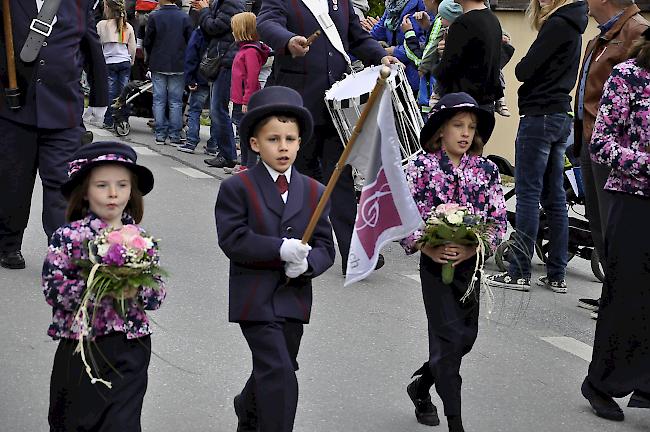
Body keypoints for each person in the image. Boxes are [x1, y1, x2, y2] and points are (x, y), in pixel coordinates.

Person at [215, 86, 335, 432]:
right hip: (254, 298)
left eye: (290, 139)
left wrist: (309, 263)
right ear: (255, 144)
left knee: (278, 367)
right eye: (273, 139)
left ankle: (247, 405)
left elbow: (326, 246)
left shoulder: (314, 191)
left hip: (293, 300)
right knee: (280, 373)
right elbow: (233, 239)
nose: (283, 147)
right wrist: (278, 249)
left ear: (300, 142)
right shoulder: (237, 188)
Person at [257, 0, 398, 275]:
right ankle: (294, 245)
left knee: (340, 177)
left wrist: (379, 55)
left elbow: (356, 36)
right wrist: (288, 40)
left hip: (335, 106)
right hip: (298, 102)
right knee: (298, 179)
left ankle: (353, 253)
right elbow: (266, 23)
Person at [401, 92, 506, 432]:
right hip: (435, 268)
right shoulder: (420, 167)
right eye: (457, 125)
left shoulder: (487, 170)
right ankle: (455, 422)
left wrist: (475, 249)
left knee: (464, 340)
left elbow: (498, 220)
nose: (465, 133)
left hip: (470, 270)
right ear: (440, 131)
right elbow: (403, 217)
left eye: (471, 127)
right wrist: (425, 247)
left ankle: (421, 385)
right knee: (448, 341)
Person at [43, 141, 166, 431]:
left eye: (122, 185)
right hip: (81, 344)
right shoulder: (69, 237)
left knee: (121, 423)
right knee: (74, 421)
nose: (113, 193)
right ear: (84, 190)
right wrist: (99, 287)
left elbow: (157, 292)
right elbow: (53, 289)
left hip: (130, 345)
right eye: (102, 185)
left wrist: (137, 289)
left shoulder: (139, 238)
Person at [485, 0, 587, 292]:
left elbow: (525, 70)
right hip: (559, 116)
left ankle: (518, 271)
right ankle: (557, 274)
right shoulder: (575, 24)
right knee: (555, 198)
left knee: (528, 193)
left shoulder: (556, 24)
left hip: (539, 115)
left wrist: (519, 64)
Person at [0, 0, 108, 270]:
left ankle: (62, 249)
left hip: (64, 112)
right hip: (14, 109)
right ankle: (8, 244)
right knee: (13, 183)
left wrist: (99, 98)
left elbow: (91, 48)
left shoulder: (78, 4)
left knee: (64, 185)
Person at [580, 29, 650, 421]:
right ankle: (601, 384)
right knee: (626, 295)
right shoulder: (628, 76)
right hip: (633, 199)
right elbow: (601, 143)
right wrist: (645, 161)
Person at [572, 0, 648, 316]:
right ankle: (611, 294)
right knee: (599, 224)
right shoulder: (602, 35)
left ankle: (620, 298)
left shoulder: (635, 30)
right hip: (592, 140)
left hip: (616, 151)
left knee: (614, 227)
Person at [192, 0, 246, 168]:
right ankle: (226, 153)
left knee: (218, 109)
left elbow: (215, 27)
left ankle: (228, 154)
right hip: (223, 58)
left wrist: (205, 11)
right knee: (218, 110)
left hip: (227, 59)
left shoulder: (231, 2)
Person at [433, 0, 503, 112]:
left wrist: (436, 69)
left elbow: (447, 68)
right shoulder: (493, 20)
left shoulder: (463, 23)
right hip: (486, 104)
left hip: (463, 105)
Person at [143, 0, 193, 145]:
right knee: (176, 101)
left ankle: (160, 133)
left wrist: (150, 57)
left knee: (159, 99)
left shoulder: (154, 16)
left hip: (158, 62)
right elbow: (190, 41)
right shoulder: (184, 17)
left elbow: (148, 41)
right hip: (178, 64)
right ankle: (175, 135)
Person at [228, 11, 271, 173]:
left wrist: (247, 100)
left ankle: (249, 166)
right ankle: (244, 164)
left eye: (235, 29)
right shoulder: (246, 49)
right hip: (240, 98)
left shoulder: (251, 52)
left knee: (248, 133)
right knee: (243, 132)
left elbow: (252, 78)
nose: (233, 33)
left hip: (246, 100)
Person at [369, 0, 427, 93]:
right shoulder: (392, 5)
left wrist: (394, 51)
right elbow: (375, 34)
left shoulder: (423, 3)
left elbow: (426, 45)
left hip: (416, 79)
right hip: (394, 76)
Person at [97, 0, 137, 129]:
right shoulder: (127, 26)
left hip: (109, 62)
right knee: (123, 92)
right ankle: (123, 119)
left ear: (107, 8)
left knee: (110, 92)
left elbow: (97, 45)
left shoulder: (102, 25)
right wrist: (131, 60)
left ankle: (109, 120)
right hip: (124, 61)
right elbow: (132, 47)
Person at [178, 27, 212, 154]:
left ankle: (191, 141)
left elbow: (191, 55)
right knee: (216, 113)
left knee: (194, 110)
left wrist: (190, 79)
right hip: (218, 78)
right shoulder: (225, 31)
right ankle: (213, 145)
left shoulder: (200, 32)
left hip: (201, 76)